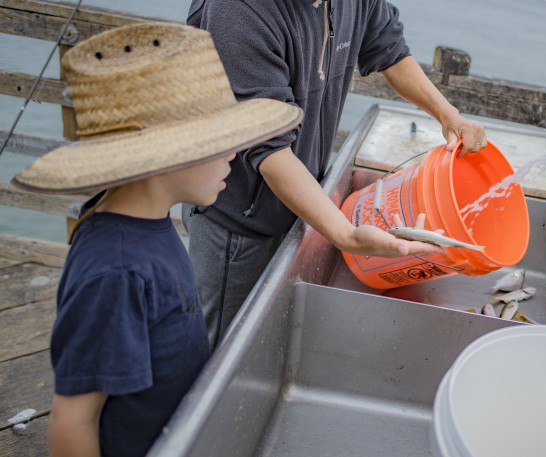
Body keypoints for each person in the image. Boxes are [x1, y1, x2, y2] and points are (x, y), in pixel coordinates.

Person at [11, 22, 303, 457]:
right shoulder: (117, 271)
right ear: (162, 157)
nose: (234, 153)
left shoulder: (148, 219)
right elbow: (74, 419)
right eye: (219, 141)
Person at [184, 0, 488, 350]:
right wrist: (347, 235)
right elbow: (269, 150)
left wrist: (449, 116)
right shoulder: (237, 11)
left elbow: (389, 50)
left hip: (303, 204)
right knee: (218, 350)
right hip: (236, 223)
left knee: (264, 343)